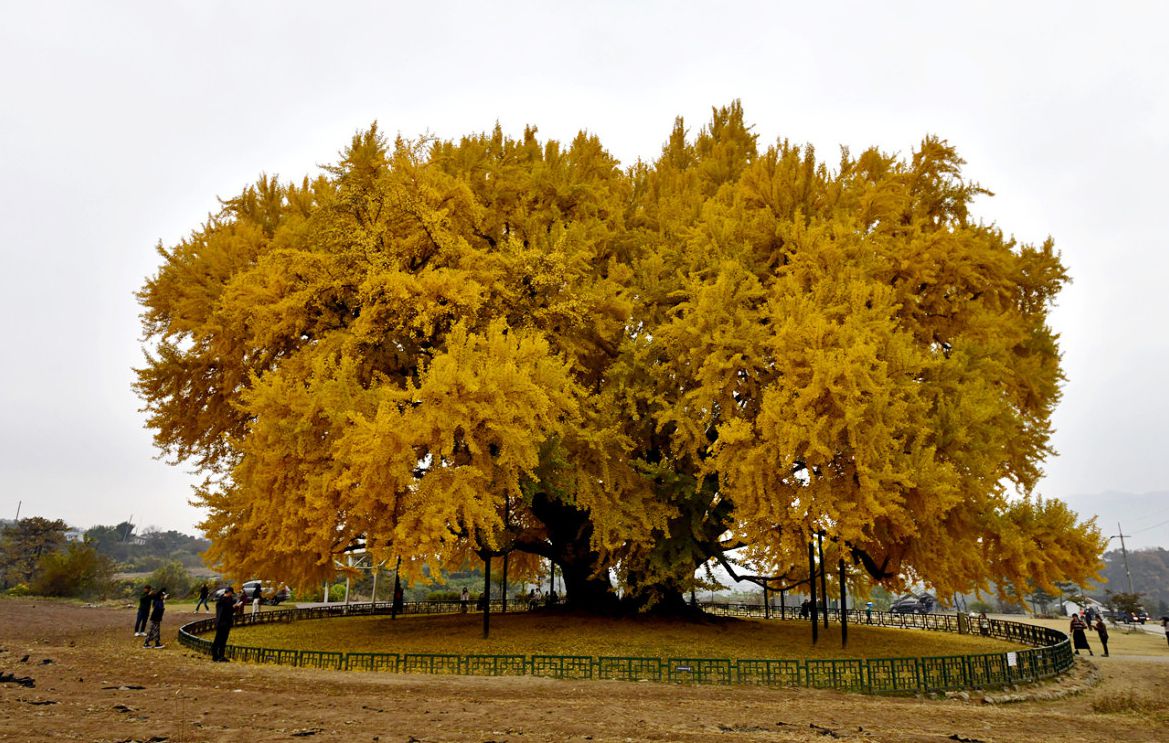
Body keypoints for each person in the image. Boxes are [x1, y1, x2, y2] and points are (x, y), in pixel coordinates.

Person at [210, 585, 237, 662]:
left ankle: (220, 656)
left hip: (224, 623)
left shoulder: (223, 599)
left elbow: (229, 611)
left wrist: (234, 607)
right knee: (218, 640)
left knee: (223, 640)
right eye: (231, 593)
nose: (231, 595)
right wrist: (234, 607)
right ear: (229, 592)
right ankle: (216, 656)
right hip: (222, 623)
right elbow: (226, 612)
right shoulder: (223, 601)